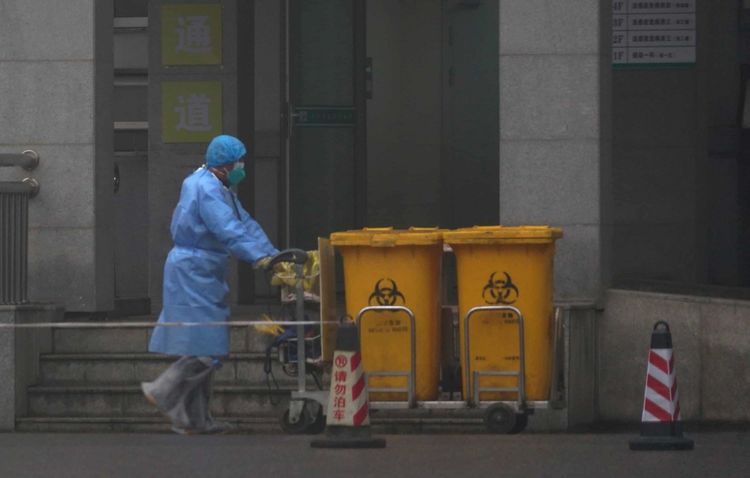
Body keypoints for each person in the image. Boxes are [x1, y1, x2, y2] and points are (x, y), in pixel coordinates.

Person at [142, 134, 279, 434]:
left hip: (201, 268)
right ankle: (162, 389)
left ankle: (193, 421)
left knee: (202, 344)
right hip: (194, 270)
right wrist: (259, 258)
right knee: (206, 345)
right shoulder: (207, 189)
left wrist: (271, 254)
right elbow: (229, 229)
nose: (242, 166)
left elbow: (245, 223)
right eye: (239, 161)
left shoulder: (216, 185)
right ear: (228, 164)